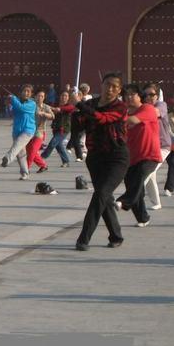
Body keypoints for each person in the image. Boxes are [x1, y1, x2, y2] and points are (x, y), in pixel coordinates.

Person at [75, 72, 128, 251]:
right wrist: (76, 113)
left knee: (101, 194)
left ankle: (83, 238)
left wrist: (80, 105)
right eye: (107, 85)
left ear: (119, 90)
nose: (110, 89)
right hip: (95, 157)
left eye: (114, 86)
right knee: (103, 196)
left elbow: (103, 119)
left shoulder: (120, 107)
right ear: (102, 85)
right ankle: (116, 235)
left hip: (117, 157)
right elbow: (79, 126)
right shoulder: (90, 104)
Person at [114, 84, 162, 228]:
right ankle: (143, 217)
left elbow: (133, 121)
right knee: (134, 186)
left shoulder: (147, 109)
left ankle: (122, 201)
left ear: (139, 96)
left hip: (149, 156)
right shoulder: (125, 113)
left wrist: (115, 119)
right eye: (126, 94)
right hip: (132, 158)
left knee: (138, 180)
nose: (129, 97)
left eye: (132, 94)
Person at [142, 83, 170, 210]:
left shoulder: (161, 105)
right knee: (151, 173)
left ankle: (130, 196)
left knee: (148, 171)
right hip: (150, 146)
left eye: (152, 94)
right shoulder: (143, 107)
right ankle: (156, 202)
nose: (148, 97)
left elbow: (154, 113)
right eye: (145, 94)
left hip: (163, 146)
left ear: (157, 96)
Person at [1, 84, 36, 180]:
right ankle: (25, 173)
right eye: (24, 91)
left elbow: (21, 108)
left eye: (28, 91)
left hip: (28, 130)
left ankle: (7, 158)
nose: (26, 93)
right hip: (16, 130)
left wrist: (13, 99)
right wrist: (8, 104)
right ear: (21, 92)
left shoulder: (32, 103)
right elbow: (10, 114)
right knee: (21, 153)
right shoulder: (16, 102)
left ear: (31, 93)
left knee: (17, 145)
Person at [41, 90, 75, 168]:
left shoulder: (70, 106)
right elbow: (51, 114)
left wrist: (53, 108)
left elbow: (60, 109)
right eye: (62, 95)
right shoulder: (56, 105)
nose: (64, 97)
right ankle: (66, 161)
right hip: (56, 129)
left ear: (68, 98)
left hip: (64, 130)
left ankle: (42, 156)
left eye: (66, 96)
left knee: (53, 142)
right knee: (59, 146)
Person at [25, 90, 53, 173]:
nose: (40, 98)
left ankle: (26, 168)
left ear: (44, 98)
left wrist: (44, 114)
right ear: (35, 96)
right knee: (30, 151)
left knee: (33, 150)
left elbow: (52, 116)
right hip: (29, 131)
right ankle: (43, 165)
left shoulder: (45, 107)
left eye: (42, 96)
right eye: (38, 96)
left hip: (39, 132)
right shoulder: (31, 105)